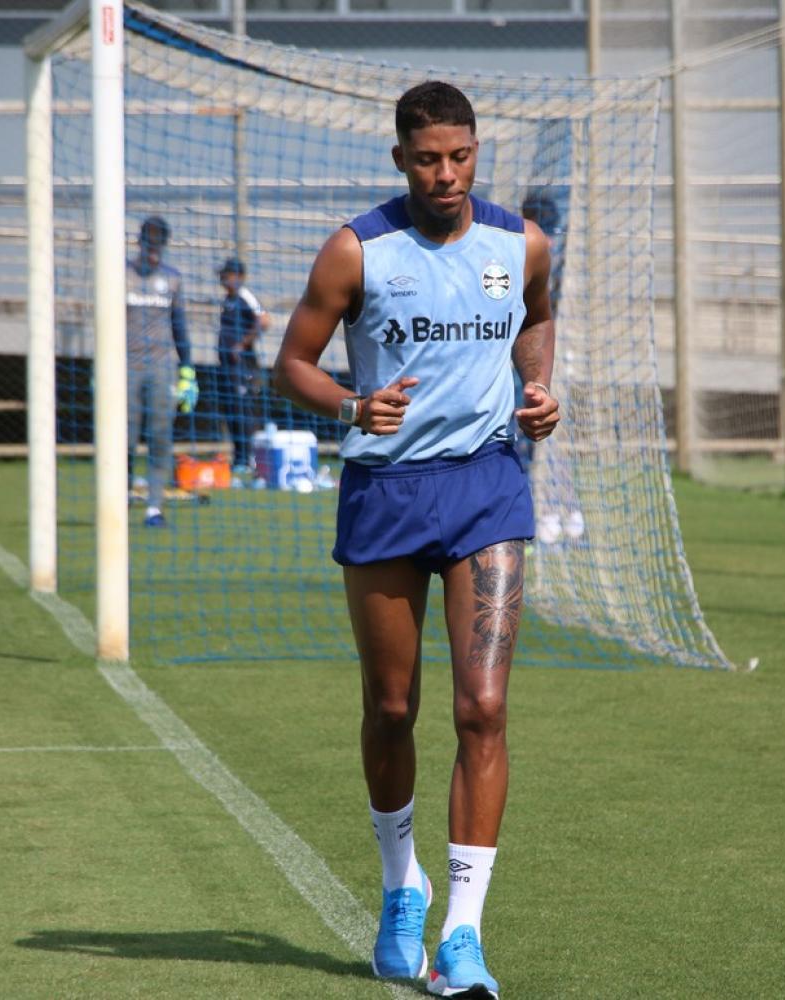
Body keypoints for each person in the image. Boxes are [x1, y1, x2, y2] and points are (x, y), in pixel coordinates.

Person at [273, 80, 559, 999]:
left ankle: (465, 934)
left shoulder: (520, 244)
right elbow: (291, 364)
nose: (447, 174)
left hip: (486, 487)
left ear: (479, 152)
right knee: (391, 709)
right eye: (429, 158)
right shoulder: (359, 250)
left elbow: (539, 315)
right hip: (388, 494)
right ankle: (403, 890)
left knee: (483, 708)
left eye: (461, 156)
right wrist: (354, 405)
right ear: (400, 158)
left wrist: (538, 388)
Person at [126, 215, 196, 528]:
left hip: (160, 367)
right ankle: (122, 490)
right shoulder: (121, 275)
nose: (153, 250)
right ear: (139, 242)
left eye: (159, 244)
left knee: (160, 437)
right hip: (124, 365)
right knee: (124, 437)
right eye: (149, 243)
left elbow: (179, 327)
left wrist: (187, 370)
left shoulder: (172, 279)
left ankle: (154, 506)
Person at [215, 257, 271, 472]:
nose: (222, 279)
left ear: (238, 277)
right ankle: (238, 458)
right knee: (230, 410)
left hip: (243, 367)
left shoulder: (244, 296)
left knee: (243, 410)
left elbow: (264, 320)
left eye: (226, 275)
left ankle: (248, 458)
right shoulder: (227, 299)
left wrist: (242, 344)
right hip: (227, 367)